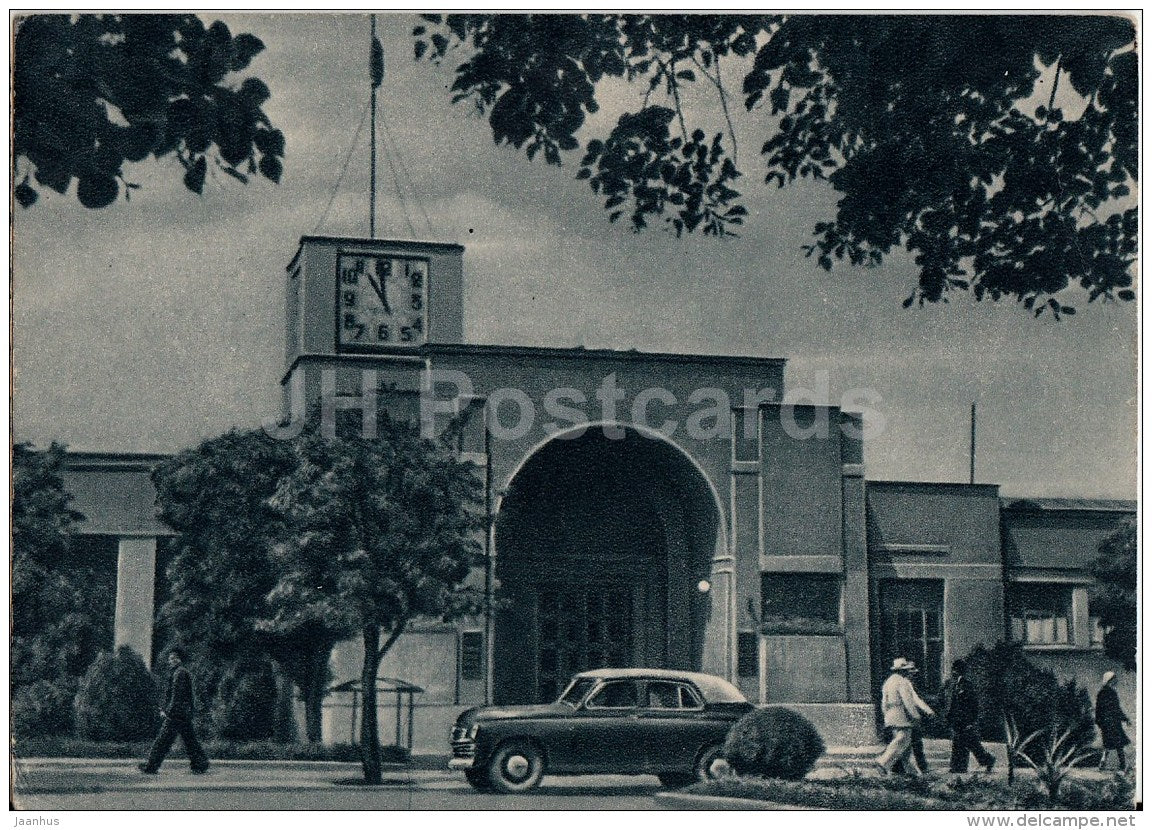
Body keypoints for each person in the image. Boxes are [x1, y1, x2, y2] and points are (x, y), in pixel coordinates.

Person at [139, 647, 210, 774]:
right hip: (183, 713)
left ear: (180, 659)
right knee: (189, 740)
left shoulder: (179, 673)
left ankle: (151, 766)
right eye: (170, 658)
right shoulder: (179, 672)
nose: (170, 661)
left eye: (173, 658)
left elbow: (177, 696)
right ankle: (200, 763)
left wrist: (167, 712)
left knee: (162, 741)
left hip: (176, 714)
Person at [876, 657, 935, 775]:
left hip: (891, 716)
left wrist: (886, 715)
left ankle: (910, 772)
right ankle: (883, 761)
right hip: (902, 717)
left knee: (905, 747)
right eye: (906, 670)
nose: (907, 672)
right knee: (901, 740)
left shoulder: (888, 682)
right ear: (902, 670)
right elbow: (908, 701)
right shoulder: (902, 682)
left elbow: (884, 702)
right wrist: (915, 716)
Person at [944, 659, 995, 773]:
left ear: (958, 671)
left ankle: (984, 760)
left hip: (965, 720)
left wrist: (971, 722)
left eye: (955, 670)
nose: (953, 672)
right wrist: (949, 717)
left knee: (968, 742)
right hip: (957, 720)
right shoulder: (955, 684)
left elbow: (973, 705)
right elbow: (953, 703)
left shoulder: (967, 685)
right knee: (963, 742)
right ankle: (960, 766)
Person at [1095, 671, 1130, 771]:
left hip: (1114, 722)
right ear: (1109, 680)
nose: (1116, 681)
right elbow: (1099, 709)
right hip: (1108, 723)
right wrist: (1100, 722)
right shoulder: (1103, 693)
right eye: (1113, 679)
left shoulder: (1111, 692)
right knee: (1112, 745)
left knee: (1115, 744)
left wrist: (1125, 719)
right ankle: (1105, 764)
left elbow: (1117, 709)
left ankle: (1120, 765)